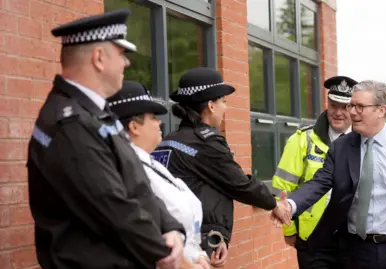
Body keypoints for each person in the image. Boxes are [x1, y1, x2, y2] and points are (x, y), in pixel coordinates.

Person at [27, 9, 186, 269]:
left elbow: (138, 184)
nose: (127, 64)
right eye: (122, 54)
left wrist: (170, 227)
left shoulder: (95, 113)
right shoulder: (69, 125)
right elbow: (114, 208)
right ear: (99, 57)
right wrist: (164, 252)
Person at [271, 80, 386, 269]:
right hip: (357, 250)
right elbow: (318, 183)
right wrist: (290, 205)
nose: (352, 112)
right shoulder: (341, 147)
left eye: (360, 107)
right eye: (352, 105)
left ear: (381, 110)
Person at [154, 67, 279, 267]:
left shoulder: (169, 141)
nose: (225, 108)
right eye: (223, 101)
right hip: (193, 246)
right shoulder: (205, 144)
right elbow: (239, 184)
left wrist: (219, 235)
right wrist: (275, 205)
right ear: (211, 105)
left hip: (173, 238)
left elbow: (203, 188)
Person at [107, 80, 211, 269]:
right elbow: (150, 233)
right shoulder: (128, 170)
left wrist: (200, 255)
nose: (159, 123)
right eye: (153, 117)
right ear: (134, 127)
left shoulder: (151, 163)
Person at [272, 76, 357, 269]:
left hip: (352, 239)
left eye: (345, 107)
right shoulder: (302, 140)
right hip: (313, 238)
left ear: (353, 108)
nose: (338, 112)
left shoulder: (362, 142)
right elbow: (282, 189)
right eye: (333, 105)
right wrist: (289, 230)